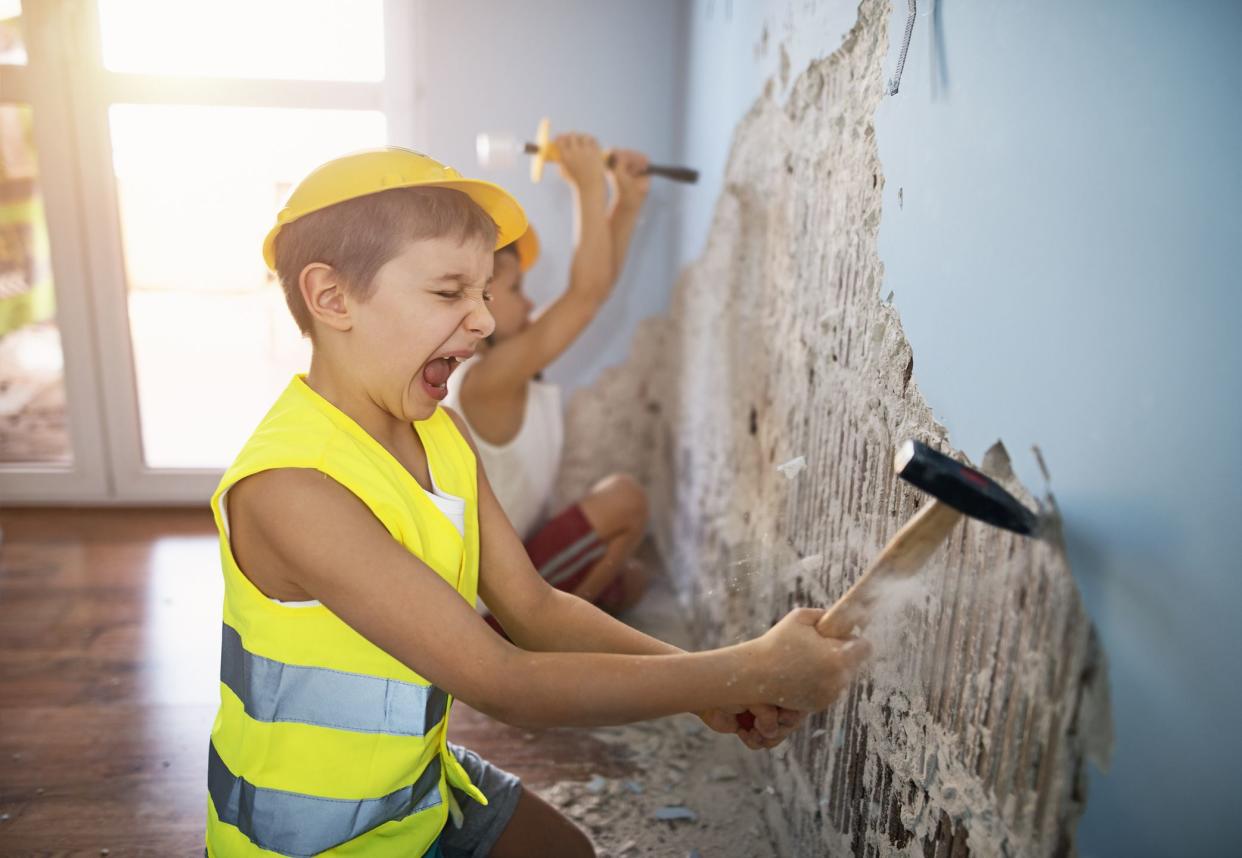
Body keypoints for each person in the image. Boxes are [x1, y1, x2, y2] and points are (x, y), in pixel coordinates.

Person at [205, 147, 870, 858]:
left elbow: (535, 610)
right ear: (332, 298)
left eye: (485, 292)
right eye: (448, 292)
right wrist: (747, 669)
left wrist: (704, 687)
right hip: (312, 838)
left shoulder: (442, 432)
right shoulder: (291, 488)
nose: (485, 322)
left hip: (415, 783)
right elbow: (504, 683)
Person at [445, 133, 650, 616]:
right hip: (490, 598)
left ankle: (548, 630)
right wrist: (585, 187)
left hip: (510, 562)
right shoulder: (485, 378)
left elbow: (592, 291)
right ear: (480, 303)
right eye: (518, 288)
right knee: (625, 500)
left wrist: (626, 202)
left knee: (636, 579)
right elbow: (584, 296)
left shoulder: (508, 361)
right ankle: (541, 635)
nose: (533, 303)